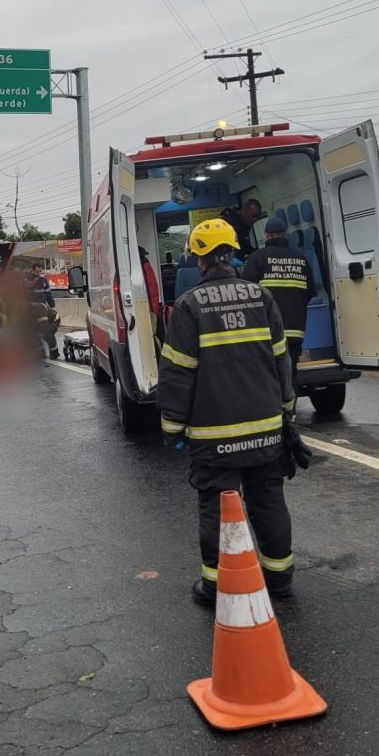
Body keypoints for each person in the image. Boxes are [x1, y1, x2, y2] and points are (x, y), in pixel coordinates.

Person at [156, 217, 301, 606]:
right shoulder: (262, 298)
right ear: (234, 254)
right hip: (267, 429)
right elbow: (281, 361)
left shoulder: (188, 307)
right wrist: (287, 411)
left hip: (213, 436)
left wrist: (172, 428)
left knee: (218, 507)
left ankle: (217, 585)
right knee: (269, 501)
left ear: (198, 260)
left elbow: (177, 373)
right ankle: (280, 582)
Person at [242, 216, 315, 379]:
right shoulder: (301, 260)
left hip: (266, 331)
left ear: (267, 235)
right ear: (286, 234)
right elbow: (310, 291)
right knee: (290, 372)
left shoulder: (257, 258)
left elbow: (245, 292)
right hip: (294, 331)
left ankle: (275, 404)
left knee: (268, 373)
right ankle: (290, 403)